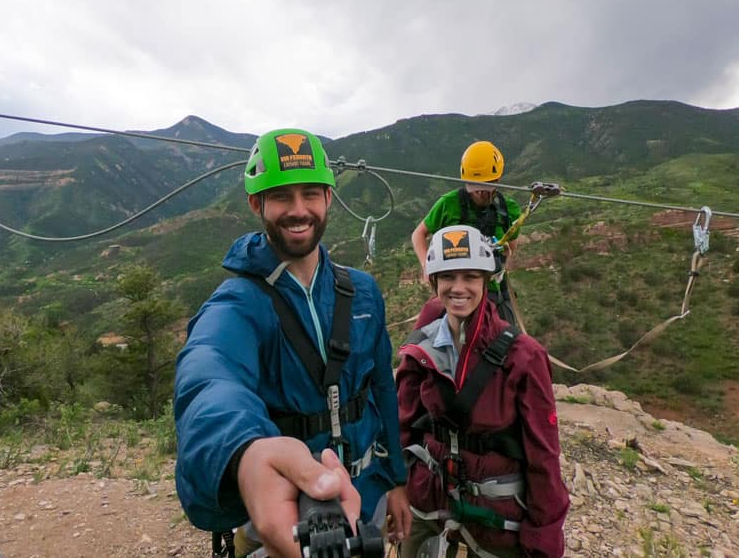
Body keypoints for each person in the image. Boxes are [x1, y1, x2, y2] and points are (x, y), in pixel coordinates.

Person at [174, 128, 411, 558]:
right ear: (256, 204)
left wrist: (395, 479)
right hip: (289, 510)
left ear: (328, 199)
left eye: (310, 194)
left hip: (367, 495)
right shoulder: (239, 303)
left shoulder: (363, 292)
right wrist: (245, 451)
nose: (298, 210)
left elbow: (382, 390)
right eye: (281, 196)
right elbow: (209, 375)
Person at [396, 225, 568, 558]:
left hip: (495, 517)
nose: (458, 288)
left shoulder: (523, 357)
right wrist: (395, 486)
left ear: (486, 282)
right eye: (448, 277)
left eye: (470, 277)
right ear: (434, 282)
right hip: (428, 500)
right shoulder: (424, 342)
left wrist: (544, 537)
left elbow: (543, 455)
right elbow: (403, 419)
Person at [410, 141, 522, 327]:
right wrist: (426, 265)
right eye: (473, 185)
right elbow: (419, 234)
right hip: (456, 291)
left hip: (494, 292)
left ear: (496, 180)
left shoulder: (509, 209)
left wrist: (499, 262)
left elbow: (511, 248)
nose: (479, 191)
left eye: (485, 186)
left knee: (509, 346)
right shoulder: (449, 204)